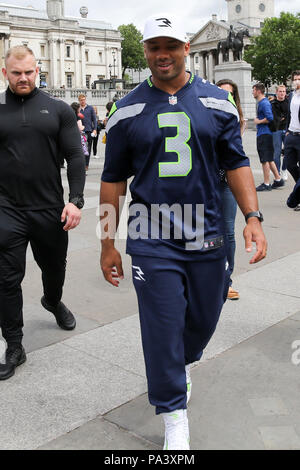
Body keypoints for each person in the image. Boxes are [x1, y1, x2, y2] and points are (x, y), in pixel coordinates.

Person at [100, 14, 267, 450]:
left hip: (207, 229)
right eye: (154, 47)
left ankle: (184, 361)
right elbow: (112, 180)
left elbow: (236, 163)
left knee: (204, 318)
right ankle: (174, 415)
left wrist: (253, 217)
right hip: (152, 236)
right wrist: (106, 243)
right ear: (146, 52)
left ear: (185, 49)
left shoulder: (216, 101)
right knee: (161, 326)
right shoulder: (127, 109)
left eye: (170, 46)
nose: (162, 54)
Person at [0, 46, 85, 381]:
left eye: (29, 72)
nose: (23, 78)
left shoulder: (58, 109)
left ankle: (52, 300)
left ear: (38, 71)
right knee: (6, 279)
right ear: (5, 72)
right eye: (16, 73)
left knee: (54, 268)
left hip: (50, 208)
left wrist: (75, 200)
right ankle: (15, 345)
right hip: (6, 209)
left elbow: (75, 157)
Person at [216, 79, 246, 301]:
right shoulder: (206, 114)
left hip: (227, 180)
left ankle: (227, 279)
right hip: (206, 181)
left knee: (227, 230)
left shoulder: (237, 119)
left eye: (229, 94)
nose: (225, 96)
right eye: (221, 92)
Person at [252, 83, 284, 191]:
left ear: (258, 91)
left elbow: (269, 117)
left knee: (264, 159)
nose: (252, 92)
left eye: (253, 90)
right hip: (266, 133)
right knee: (269, 158)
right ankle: (278, 179)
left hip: (264, 134)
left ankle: (266, 183)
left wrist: (258, 121)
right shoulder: (263, 102)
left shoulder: (263, 103)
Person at [285, 70, 300, 211]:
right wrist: (287, 132)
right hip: (291, 135)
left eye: (299, 79)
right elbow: (289, 114)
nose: (296, 81)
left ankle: (296, 198)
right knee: (289, 165)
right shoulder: (291, 96)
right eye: (295, 79)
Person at [271, 85, 289, 180]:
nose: (282, 93)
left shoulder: (289, 103)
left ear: (285, 93)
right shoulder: (272, 103)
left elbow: (289, 116)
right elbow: (273, 118)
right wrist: (281, 118)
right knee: (276, 153)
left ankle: (284, 169)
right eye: (280, 91)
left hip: (287, 130)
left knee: (288, 152)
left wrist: (282, 118)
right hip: (276, 130)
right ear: (277, 92)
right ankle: (277, 173)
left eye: (283, 91)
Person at [78, 94, 97, 170]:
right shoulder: (78, 109)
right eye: (81, 100)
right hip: (80, 131)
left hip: (88, 131)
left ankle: (86, 165)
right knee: (80, 149)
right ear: (79, 100)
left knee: (88, 149)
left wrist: (95, 129)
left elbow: (94, 120)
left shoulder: (90, 108)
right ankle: (81, 164)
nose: (83, 101)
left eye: (84, 99)